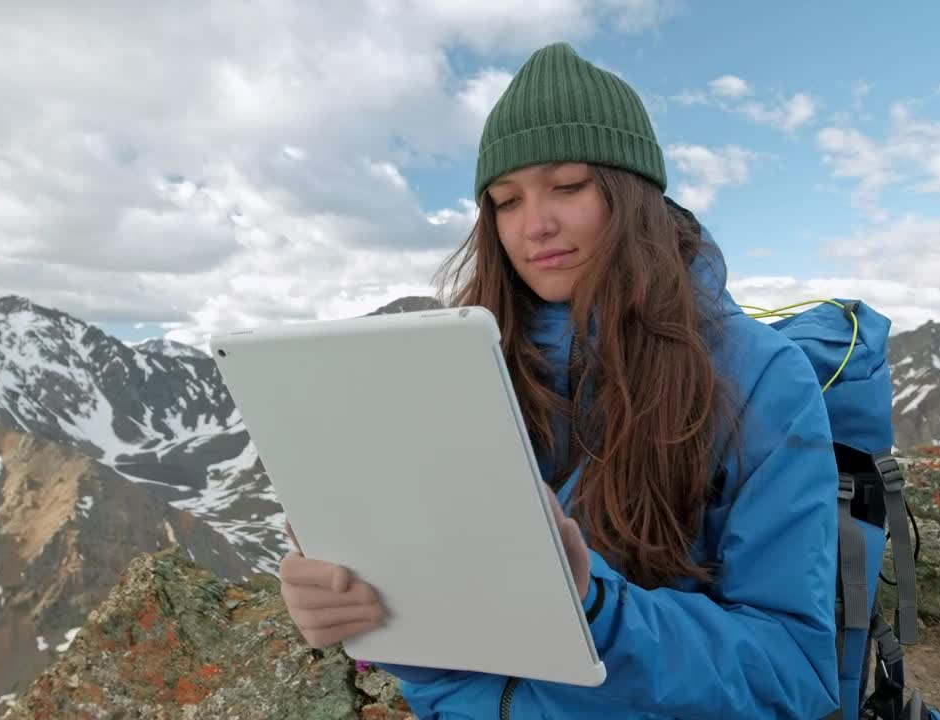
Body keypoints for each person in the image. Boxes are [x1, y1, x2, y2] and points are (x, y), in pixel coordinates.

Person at [277, 41, 841, 719]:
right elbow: (459, 655)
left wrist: (593, 608)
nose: (534, 226)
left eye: (567, 186)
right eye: (506, 201)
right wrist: (371, 611)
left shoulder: (759, 379)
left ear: (633, 192)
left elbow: (795, 675)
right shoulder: (460, 368)